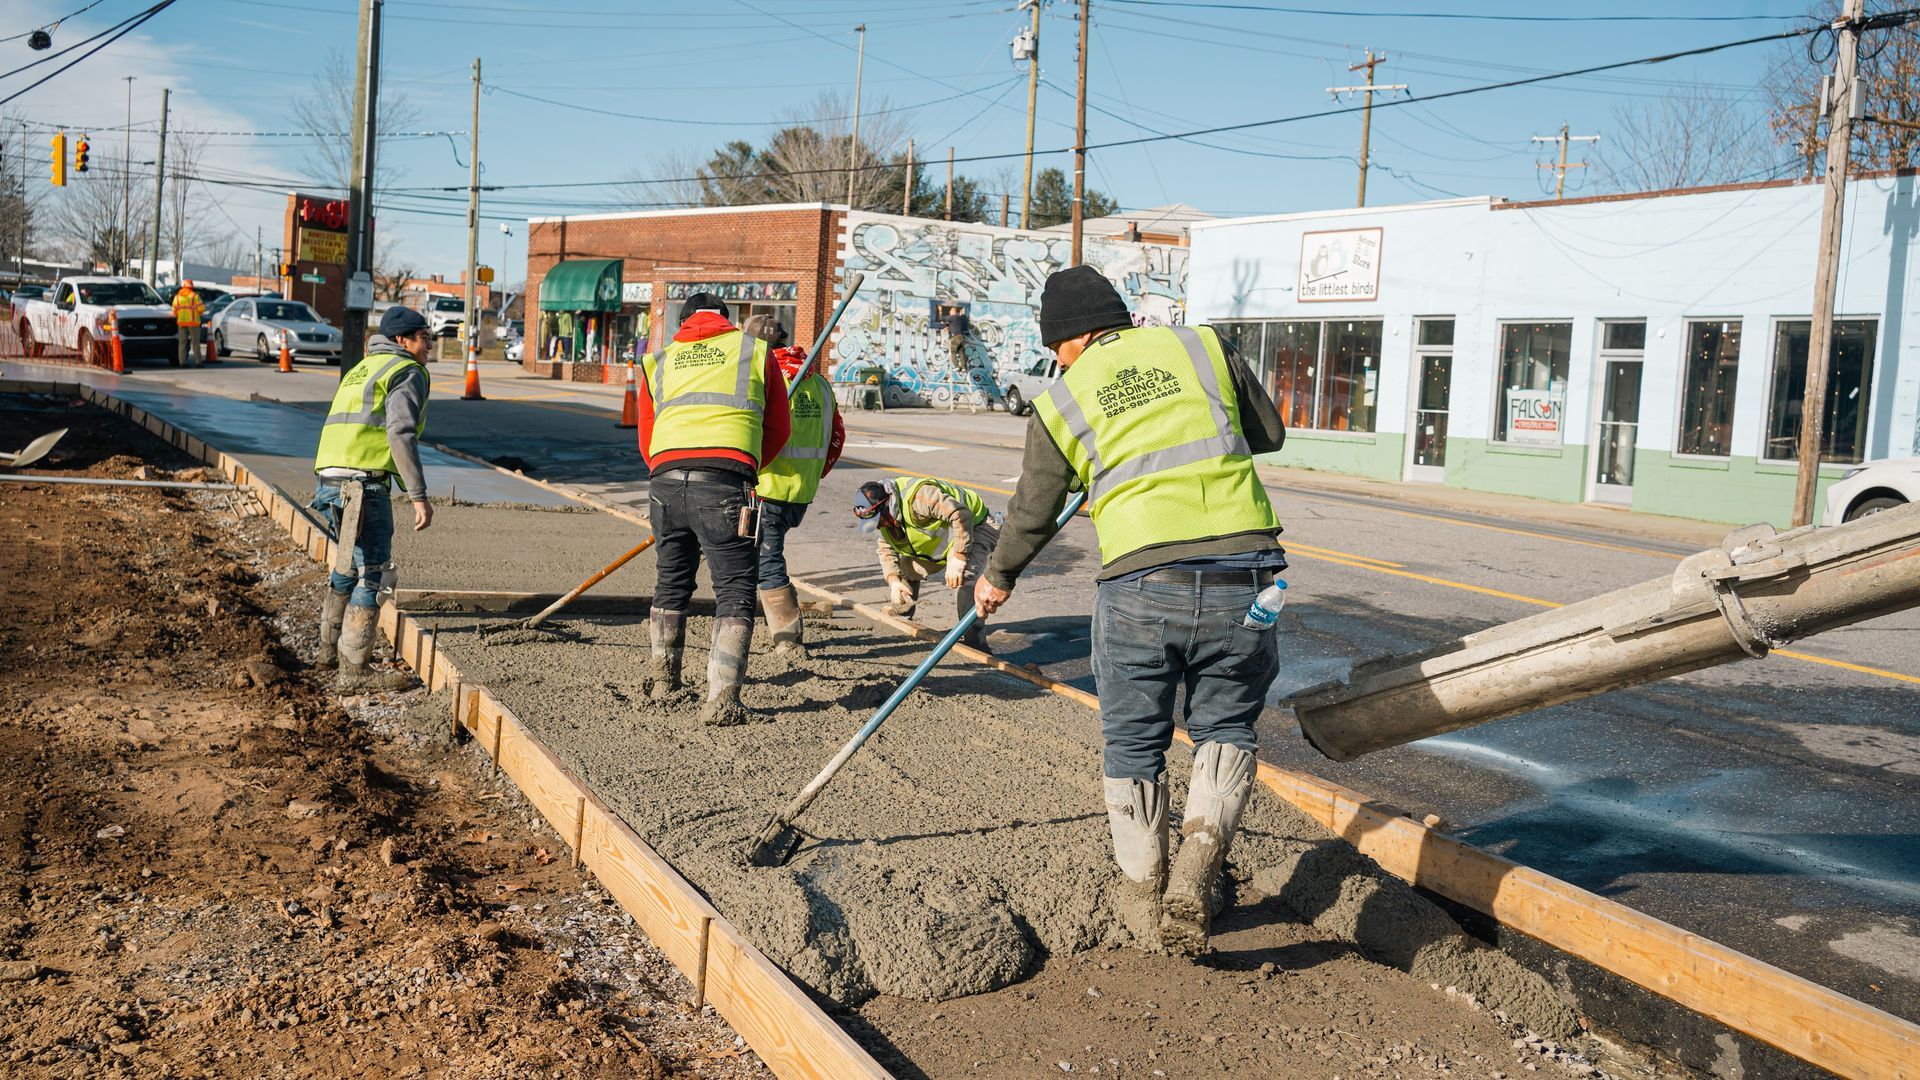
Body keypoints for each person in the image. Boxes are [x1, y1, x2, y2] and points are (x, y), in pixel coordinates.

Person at [974, 265, 1288, 957]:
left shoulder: (1062, 399)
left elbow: (1032, 508)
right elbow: (1267, 434)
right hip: (1254, 580)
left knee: (1133, 740)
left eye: (1057, 350)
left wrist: (998, 577)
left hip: (1143, 584)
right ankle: (1197, 876)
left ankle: (1146, 895)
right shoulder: (1204, 347)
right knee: (1228, 724)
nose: (1057, 362)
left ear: (1074, 339)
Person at [637, 293, 790, 724]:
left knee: (671, 583)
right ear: (726, 319)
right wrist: (747, 465)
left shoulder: (658, 359)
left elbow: (647, 435)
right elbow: (779, 428)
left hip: (664, 482)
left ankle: (664, 680)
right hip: (726, 481)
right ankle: (722, 702)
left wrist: (667, 474)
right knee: (736, 591)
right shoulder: (755, 351)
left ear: (682, 324)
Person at [310, 305, 437, 693]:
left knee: (347, 566)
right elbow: (400, 432)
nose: (429, 346)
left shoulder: (362, 368)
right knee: (375, 572)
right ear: (403, 341)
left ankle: (327, 652)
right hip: (363, 486)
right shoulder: (405, 371)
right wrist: (418, 495)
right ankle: (354, 670)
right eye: (424, 338)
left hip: (330, 479)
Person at [745, 316, 844, 655]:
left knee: (766, 561)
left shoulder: (762, 375)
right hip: (800, 492)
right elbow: (836, 437)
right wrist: (813, 475)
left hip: (767, 487)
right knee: (754, 554)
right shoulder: (819, 383)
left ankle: (788, 639)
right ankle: (747, 616)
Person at [853, 474, 999, 651]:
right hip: (948, 537)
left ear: (886, 506)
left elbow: (961, 514)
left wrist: (960, 557)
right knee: (908, 566)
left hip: (977, 525)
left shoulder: (919, 498)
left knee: (964, 578)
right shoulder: (886, 517)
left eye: (878, 521)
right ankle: (902, 613)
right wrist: (893, 582)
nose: (878, 526)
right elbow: (886, 547)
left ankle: (976, 643)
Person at [171, 280, 205, 368]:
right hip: (193, 322)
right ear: (191, 287)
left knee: (182, 343)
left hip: (181, 322)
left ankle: (182, 362)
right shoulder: (195, 296)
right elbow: (201, 309)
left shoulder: (177, 297)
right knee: (195, 343)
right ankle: (198, 362)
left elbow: (174, 311)